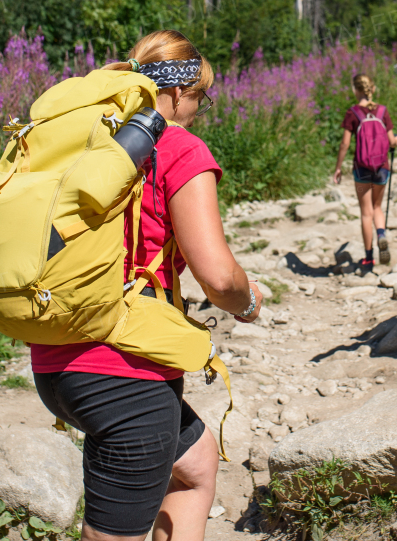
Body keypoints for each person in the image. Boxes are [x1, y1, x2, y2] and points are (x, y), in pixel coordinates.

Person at [31, 30, 263, 541]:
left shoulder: (87, 140)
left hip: (57, 362)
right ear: (178, 93)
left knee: (197, 464)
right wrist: (247, 302)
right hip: (123, 377)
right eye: (201, 96)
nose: (200, 108)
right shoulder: (178, 147)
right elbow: (219, 277)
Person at [332, 74, 397, 273]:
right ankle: (381, 234)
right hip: (382, 168)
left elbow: (345, 143)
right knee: (378, 207)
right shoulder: (383, 111)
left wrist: (338, 167)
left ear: (356, 89)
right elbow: (391, 140)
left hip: (361, 169)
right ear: (372, 88)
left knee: (366, 213)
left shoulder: (352, 113)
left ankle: (369, 258)